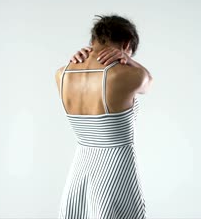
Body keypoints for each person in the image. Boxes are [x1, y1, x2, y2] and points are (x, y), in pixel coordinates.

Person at [55, 14, 153, 218]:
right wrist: (129, 61)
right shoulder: (126, 74)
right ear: (126, 45)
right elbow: (148, 82)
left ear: (92, 42)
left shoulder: (61, 75)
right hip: (116, 168)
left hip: (81, 167)